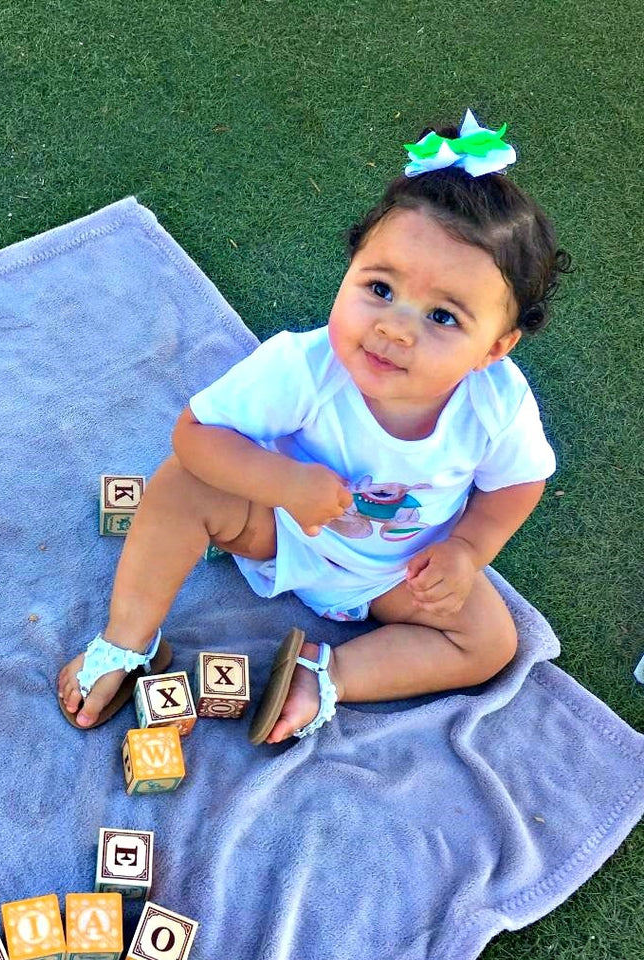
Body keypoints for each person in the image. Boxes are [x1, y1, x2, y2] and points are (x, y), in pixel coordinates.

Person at [57, 109, 571, 744]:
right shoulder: (304, 369)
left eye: (442, 317)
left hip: (397, 575)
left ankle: (326, 673)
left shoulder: (498, 405)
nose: (394, 327)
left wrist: (467, 552)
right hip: (279, 531)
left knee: (491, 643)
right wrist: (283, 482)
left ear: (497, 346)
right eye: (380, 289)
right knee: (179, 488)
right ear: (351, 266)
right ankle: (128, 642)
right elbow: (195, 435)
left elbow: (517, 485)